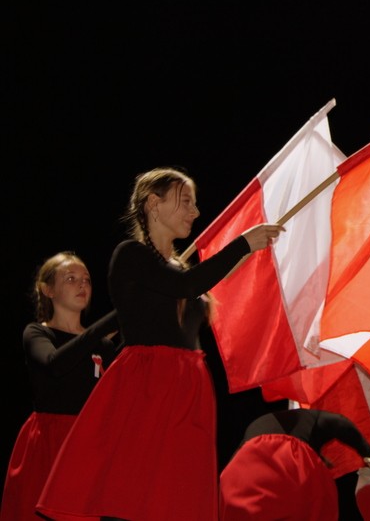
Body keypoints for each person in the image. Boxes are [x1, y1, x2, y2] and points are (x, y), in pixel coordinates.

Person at [36, 166, 284, 521]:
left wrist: (244, 253)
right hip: (148, 386)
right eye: (186, 202)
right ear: (154, 204)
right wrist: (243, 244)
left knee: (176, 498)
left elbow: (193, 285)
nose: (195, 212)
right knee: (133, 495)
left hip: (188, 387)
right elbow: (187, 286)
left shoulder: (177, 269)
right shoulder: (130, 254)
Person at [0, 252, 119, 521]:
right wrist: (102, 329)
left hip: (89, 447)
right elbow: (54, 364)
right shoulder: (37, 332)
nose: (82, 284)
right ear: (48, 290)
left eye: (87, 279)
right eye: (71, 278)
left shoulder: (103, 345)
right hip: (49, 444)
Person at [218, 408, 370, 521]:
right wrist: (368, 451)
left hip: (241, 476)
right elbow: (340, 422)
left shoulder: (283, 426)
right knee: (315, 506)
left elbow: (234, 469)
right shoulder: (313, 420)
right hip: (283, 463)